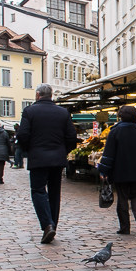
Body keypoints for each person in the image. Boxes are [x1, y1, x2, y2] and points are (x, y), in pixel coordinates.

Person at [17, 83, 78, 243]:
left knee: (38, 191)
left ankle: (47, 225)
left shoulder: (30, 111)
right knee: (54, 192)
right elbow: (72, 137)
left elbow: (22, 135)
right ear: (51, 96)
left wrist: (28, 150)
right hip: (57, 158)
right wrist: (63, 151)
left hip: (38, 157)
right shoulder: (63, 112)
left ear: (38, 95)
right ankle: (53, 225)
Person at [97, 106, 136, 235]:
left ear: (121, 116)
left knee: (122, 198)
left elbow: (108, 154)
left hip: (120, 171)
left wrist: (104, 171)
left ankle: (125, 227)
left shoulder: (115, 131)